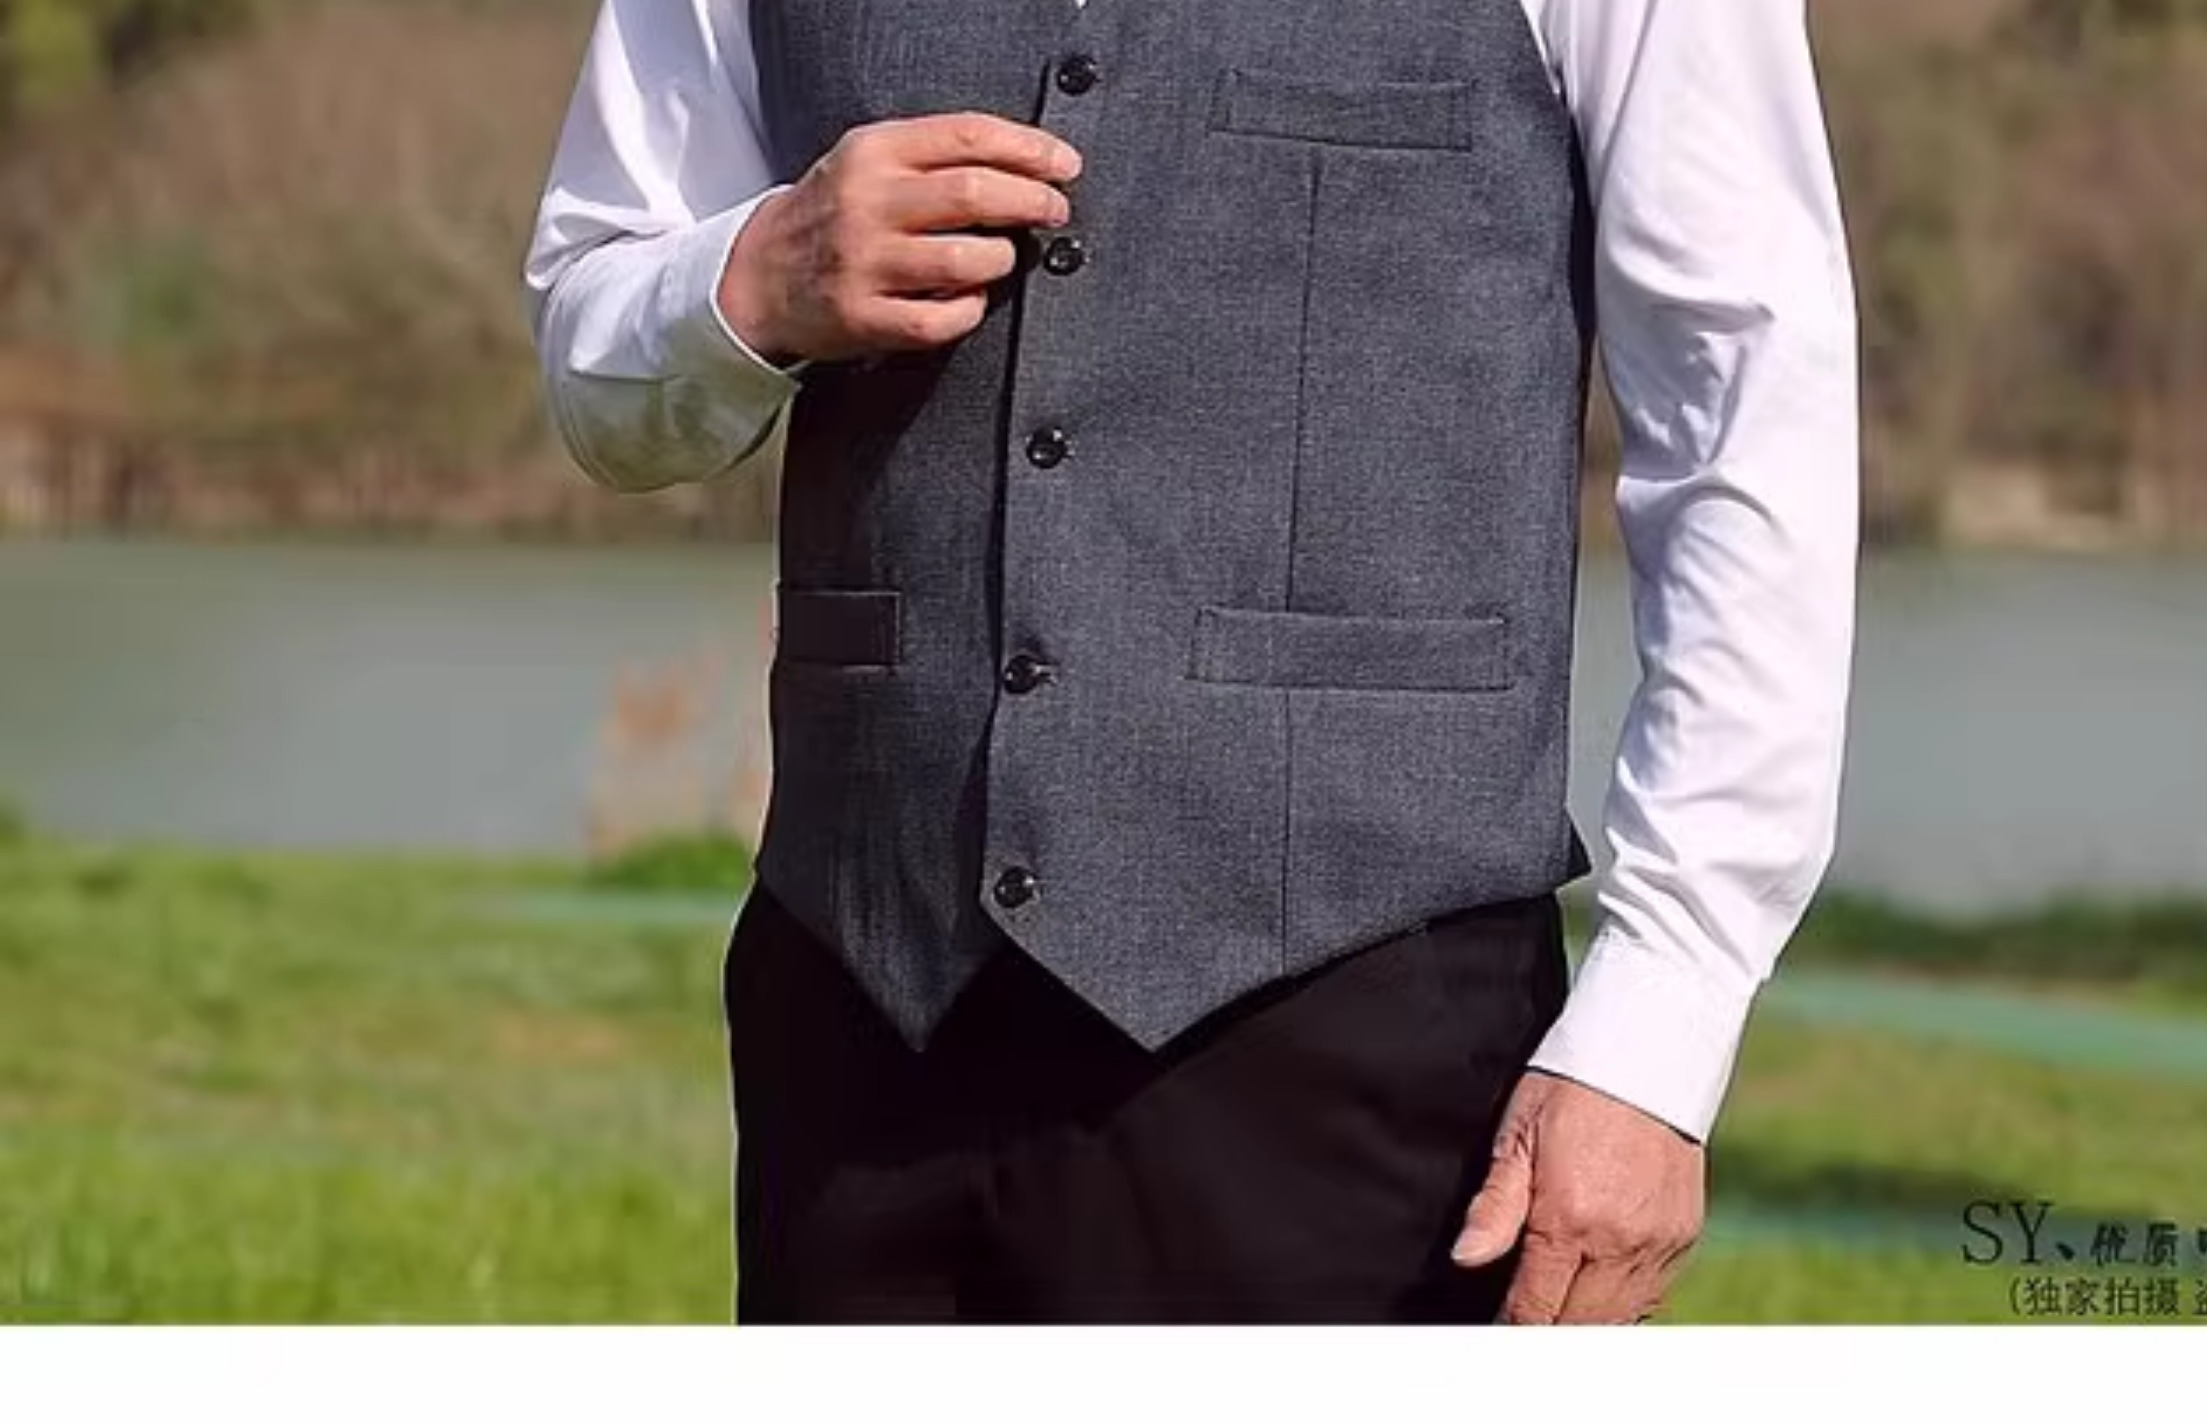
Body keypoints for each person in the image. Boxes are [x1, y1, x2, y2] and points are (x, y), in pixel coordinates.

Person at [523, 0, 1857, 1325]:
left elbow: (1751, 415)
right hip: (862, 1011)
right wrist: (753, 281)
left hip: (1354, 1037)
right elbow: (595, 335)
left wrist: (1661, 1022)